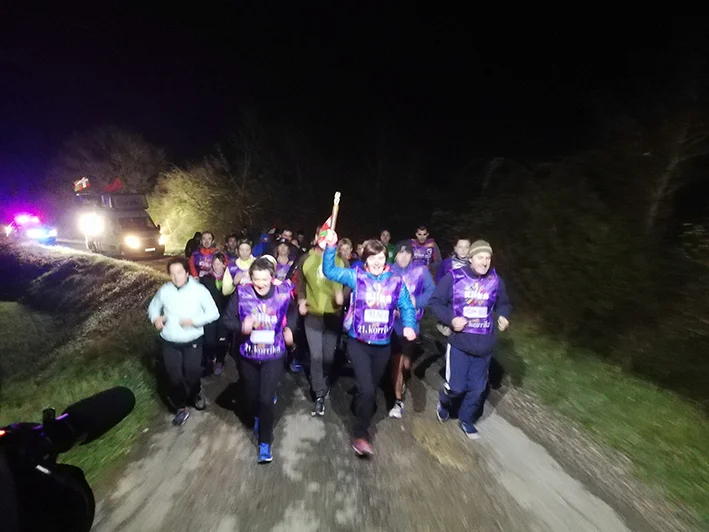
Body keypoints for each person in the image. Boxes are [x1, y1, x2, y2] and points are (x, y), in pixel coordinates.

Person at [322, 233, 416, 456]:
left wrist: (409, 325)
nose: (377, 262)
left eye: (381, 258)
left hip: (383, 345)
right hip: (359, 342)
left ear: (386, 259)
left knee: (370, 389)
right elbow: (330, 271)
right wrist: (331, 247)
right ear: (365, 259)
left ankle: (362, 402)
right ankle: (361, 434)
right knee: (367, 389)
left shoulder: (395, 281)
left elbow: (406, 306)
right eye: (372, 258)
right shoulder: (356, 276)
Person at [428, 240, 511, 440]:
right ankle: (444, 402)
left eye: (488, 258)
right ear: (471, 259)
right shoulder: (454, 277)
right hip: (460, 343)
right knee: (456, 388)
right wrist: (451, 319)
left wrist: (503, 316)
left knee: (477, 389)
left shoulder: (495, 280)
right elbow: (435, 302)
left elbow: (504, 303)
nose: (484, 262)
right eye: (480, 257)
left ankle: (467, 420)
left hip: (484, 345)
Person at [222, 258, 295, 463]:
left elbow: (293, 312)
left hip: (274, 353)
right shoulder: (242, 293)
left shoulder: (282, 292)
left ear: (272, 278)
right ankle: (257, 415)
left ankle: (265, 443)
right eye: (256, 279)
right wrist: (241, 326)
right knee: (251, 397)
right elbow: (226, 320)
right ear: (250, 278)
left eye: (265, 279)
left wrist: (290, 328)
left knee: (265, 399)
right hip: (249, 354)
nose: (260, 284)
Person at [148, 257, 220, 426]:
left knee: (192, 372)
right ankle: (181, 407)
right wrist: (155, 318)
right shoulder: (165, 291)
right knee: (174, 376)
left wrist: (194, 321)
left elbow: (214, 313)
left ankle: (195, 393)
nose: (176, 277)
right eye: (172, 273)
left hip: (192, 339)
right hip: (169, 340)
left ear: (187, 272)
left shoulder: (199, 290)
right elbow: (153, 307)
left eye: (179, 272)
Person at [295, 234, 347, 416]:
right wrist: (301, 300)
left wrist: (342, 296)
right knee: (316, 356)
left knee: (328, 358)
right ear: (316, 237)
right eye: (321, 235)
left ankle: (323, 379)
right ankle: (319, 394)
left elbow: (350, 283)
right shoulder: (306, 259)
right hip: (313, 315)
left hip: (333, 316)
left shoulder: (341, 261)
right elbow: (300, 284)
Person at [388, 241, 435, 418]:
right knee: (397, 362)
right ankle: (397, 401)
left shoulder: (421, 271)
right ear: (395, 256)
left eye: (407, 253)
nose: (404, 257)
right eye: (400, 253)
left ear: (412, 255)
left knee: (406, 364)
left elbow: (432, 291)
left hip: (411, 325)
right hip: (392, 325)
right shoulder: (388, 271)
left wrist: (417, 301)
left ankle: (402, 378)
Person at [200, 252, 230, 376]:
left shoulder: (230, 280)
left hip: (224, 315)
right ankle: (210, 359)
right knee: (209, 340)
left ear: (224, 265)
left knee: (221, 340)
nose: (217, 266)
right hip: (210, 316)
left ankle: (220, 361)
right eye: (215, 264)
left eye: (219, 263)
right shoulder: (206, 279)